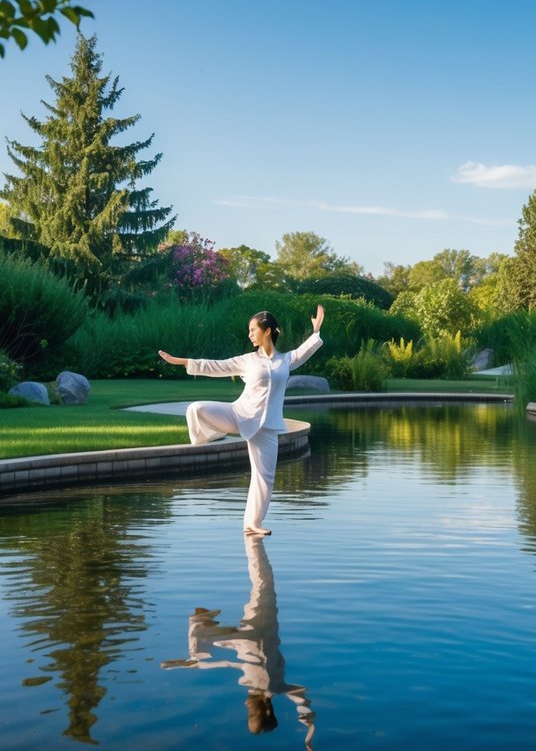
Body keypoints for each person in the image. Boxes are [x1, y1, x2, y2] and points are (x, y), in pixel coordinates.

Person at [158, 305, 325, 537]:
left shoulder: (285, 361)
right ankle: (209, 436)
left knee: (264, 478)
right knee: (196, 409)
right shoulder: (248, 360)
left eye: (253, 329)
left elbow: (304, 351)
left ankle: (252, 523)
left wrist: (316, 331)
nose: (249, 334)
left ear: (267, 331)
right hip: (239, 414)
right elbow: (218, 365)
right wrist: (182, 361)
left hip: (266, 427)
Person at [161, 535, 317, 749]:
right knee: (263, 583)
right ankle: (253, 541)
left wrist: (197, 663)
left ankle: (202, 627)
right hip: (257, 631)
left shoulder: (270, 687)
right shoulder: (277, 687)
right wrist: (308, 730)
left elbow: (229, 664)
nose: (245, 705)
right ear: (266, 709)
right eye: (251, 712)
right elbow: (302, 701)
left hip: (243, 639)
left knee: (263, 584)